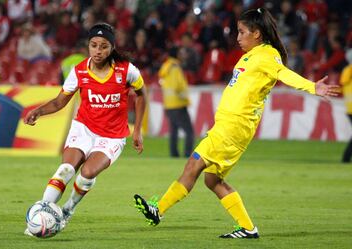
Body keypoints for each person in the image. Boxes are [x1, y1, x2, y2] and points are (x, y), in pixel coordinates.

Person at [133, 8, 340, 239]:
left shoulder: (267, 55)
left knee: (192, 166)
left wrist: (313, 87)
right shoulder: (249, 56)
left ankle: (158, 210)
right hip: (231, 126)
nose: (238, 37)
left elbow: (284, 74)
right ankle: (248, 228)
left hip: (233, 127)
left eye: (242, 32)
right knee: (213, 180)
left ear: (257, 33)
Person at [23, 23, 146, 235]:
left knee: (87, 173)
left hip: (113, 136)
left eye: (104, 46)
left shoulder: (126, 70)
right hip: (84, 128)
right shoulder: (79, 71)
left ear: (112, 48)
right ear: (88, 46)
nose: (98, 51)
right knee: (66, 170)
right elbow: (60, 101)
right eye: (94, 45)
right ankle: (40, 216)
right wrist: (39, 111)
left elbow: (142, 94)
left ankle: (67, 211)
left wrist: (138, 130)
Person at [159, 46, 194, 158]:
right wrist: (186, 99)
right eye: (181, 52)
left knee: (174, 131)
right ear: (176, 54)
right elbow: (178, 86)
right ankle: (187, 155)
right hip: (178, 104)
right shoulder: (175, 67)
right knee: (190, 132)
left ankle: (174, 155)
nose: (183, 55)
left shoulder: (166, 66)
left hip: (169, 104)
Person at [341, 48, 352, 163]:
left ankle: (346, 158)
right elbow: (344, 81)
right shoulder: (349, 70)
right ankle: (345, 158)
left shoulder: (347, 71)